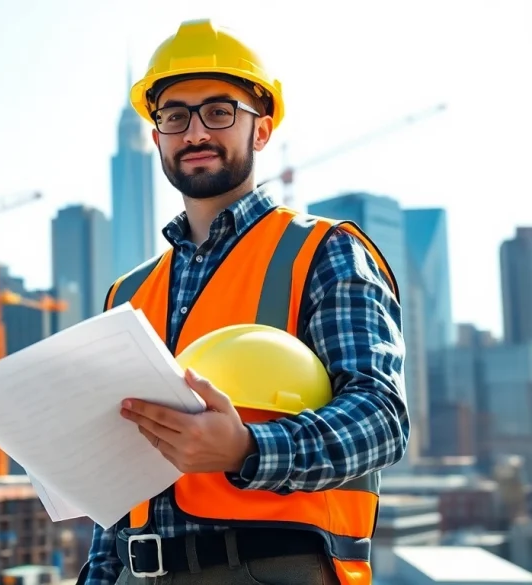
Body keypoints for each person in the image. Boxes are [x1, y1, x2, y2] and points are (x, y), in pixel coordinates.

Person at [77, 19, 410, 585]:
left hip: (272, 569)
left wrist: (247, 449)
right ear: (156, 134)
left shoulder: (324, 252)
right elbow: (118, 481)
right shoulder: (127, 294)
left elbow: (381, 419)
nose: (194, 132)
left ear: (261, 130)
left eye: (219, 111)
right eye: (174, 115)